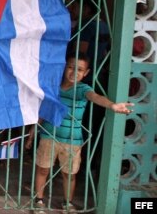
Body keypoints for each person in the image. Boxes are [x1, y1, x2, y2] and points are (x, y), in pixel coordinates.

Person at [25, 52, 133, 212]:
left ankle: (67, 203)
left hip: (72, 140)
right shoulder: (53, 87)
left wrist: (112, 106)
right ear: (64, 67)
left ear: (86, 73)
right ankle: (39, 200)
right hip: (48, 135)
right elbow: (43, 112)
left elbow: (95, 97)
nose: (74, 72)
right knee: (43, 169)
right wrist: (32, 133)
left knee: (69, 174)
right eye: (70, 67)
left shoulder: (83, 89)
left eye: (80, 70)